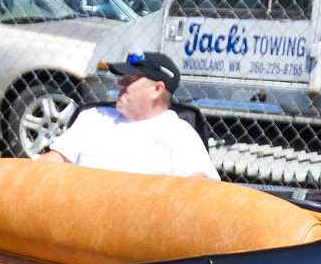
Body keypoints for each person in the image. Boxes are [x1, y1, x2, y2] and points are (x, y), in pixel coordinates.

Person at [37, 51, 218, 179]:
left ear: (156, 89)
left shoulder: (178, 132)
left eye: (128, 81)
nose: (119, 85)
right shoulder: (93, 117)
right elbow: (55, 160)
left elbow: (197, 184)